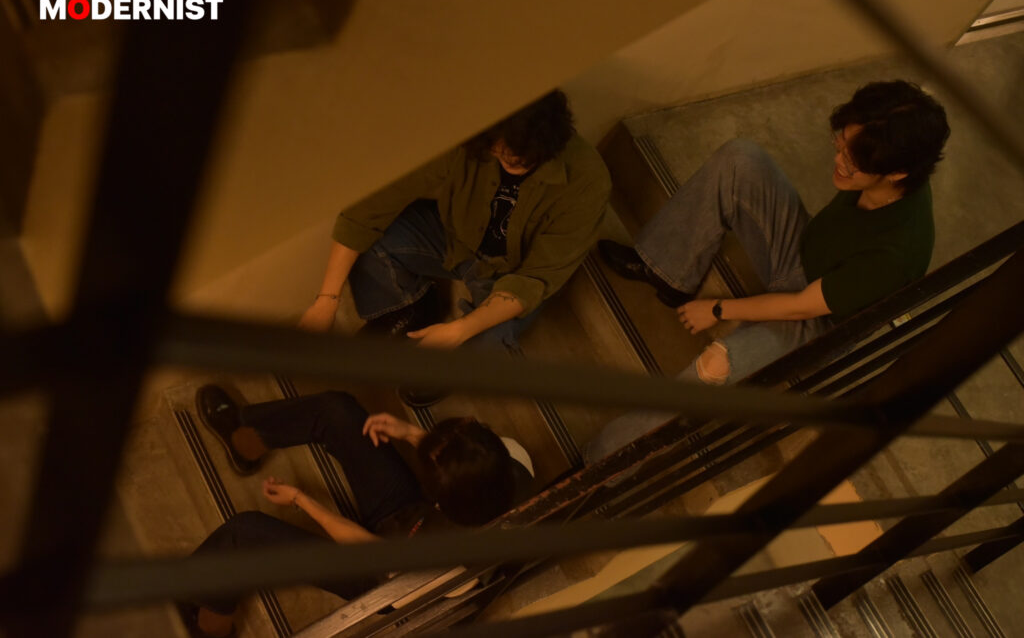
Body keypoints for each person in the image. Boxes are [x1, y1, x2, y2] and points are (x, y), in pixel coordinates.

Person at [598, 80, 949, 388]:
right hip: (806, 251)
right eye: (841, 143)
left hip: (819, 320)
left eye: (853, 161)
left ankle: (624, 443)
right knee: (741, 158)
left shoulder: (895, 254)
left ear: (897, 173)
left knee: (716, 365)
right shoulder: (885, 173)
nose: (839, 161)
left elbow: (799, 307)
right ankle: (667, 272)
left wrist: (717, 309)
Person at [298, 90, 610, 405]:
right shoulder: (468, 137)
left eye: (521, 155)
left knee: (485, 346)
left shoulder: (587, 181)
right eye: (499, 150)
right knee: (375, 240)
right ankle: (411, 307)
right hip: (456, 239)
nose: (508, 157)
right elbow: (369, 210)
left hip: (511, 272)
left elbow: (535, 278)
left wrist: (460, 329)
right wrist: (326, 300)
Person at [181, 385, 532, 638]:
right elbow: (460, 462)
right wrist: (411, 433)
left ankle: (210, 625)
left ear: (441, 497)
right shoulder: (507, 464)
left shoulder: (444, 568)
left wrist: (300, 499)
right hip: (410, 514)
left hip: (382, 577)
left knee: (244, 532)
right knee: (337, 410)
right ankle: (245, 440)